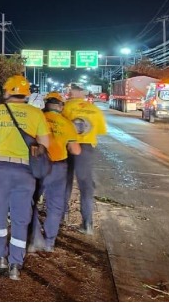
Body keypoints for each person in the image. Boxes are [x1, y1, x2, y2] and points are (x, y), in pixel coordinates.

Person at [0, 75, 50, 280]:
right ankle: (15, 265)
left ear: (8, 92)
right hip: (25, 172)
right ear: (26, 94)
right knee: (20, 219)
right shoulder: (36, 114)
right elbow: (45, 145)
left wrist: (0, 144)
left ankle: (0, 257)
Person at [28, 92, 80, 252]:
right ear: (60, 106)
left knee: (30, 201)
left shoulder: (36, 118)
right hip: (58, 168)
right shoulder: (67, 123)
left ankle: (35, 238)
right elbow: (76, 150)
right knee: (55, 205)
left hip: (38, 165)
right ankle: (49, 242)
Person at [62, 96, 108, 235]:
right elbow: (100, 130)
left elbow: (60, 124)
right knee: (86, 185)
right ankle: (87, 223)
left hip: (68, 145)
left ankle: (61, 216)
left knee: (65, 181)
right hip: (86, 149)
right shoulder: (95, 110)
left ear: (71, 92)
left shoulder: (68, 107)